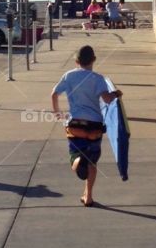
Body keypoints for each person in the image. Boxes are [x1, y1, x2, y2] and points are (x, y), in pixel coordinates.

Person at [50, 45, 122, 207]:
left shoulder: (68, 76)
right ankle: (88, 196)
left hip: (76, 124)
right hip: (95, 126)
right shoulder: (98, 79)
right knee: (92, 162)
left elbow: (54, 93)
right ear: (94, 60)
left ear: (76, 61)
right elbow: (107, 99)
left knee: (75, 156)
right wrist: (116, 93)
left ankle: (78, 161)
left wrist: (58, 113)